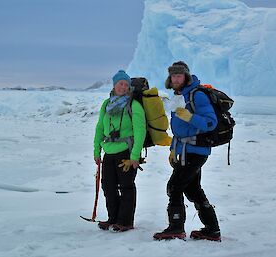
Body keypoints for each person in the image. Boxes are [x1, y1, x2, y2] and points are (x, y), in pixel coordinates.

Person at [153, 61, 221, 241]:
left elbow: (210, 122)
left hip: (196, 150)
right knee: (193, 190)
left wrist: (191, 117)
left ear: (186, 76)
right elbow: (179, 131)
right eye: (173, 76)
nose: (176, 79)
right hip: (184, 150)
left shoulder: (196, 95)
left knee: (174, 186)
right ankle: (212, 229)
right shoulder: (179, 95)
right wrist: (172, 150)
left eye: (179, 75)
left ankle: (176, 227)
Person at [93, 70, 146, 232]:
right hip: (109, 151)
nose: (123, 87)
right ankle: (113, 218)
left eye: (125, 84)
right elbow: (100, 128)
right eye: (120, 84)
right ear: (114, 85)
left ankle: (125, 221)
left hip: (126, 152)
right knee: (108, 186)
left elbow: (140, 131)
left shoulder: (133, 105)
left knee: (126, 186)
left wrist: (135, 155)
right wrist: (97, 150)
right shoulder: (106, 104)